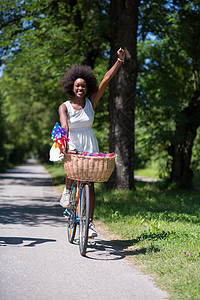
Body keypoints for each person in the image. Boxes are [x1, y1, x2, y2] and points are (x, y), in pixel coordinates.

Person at [59, 48, 125, 237]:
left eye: (84, 86)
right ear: (72, 86)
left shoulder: (91, 102)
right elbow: (65, 127)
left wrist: (119, 61)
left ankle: (88, 223)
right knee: (73, 170)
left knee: (90, 185)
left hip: (90, 144)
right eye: (77, 86)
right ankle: (67, 190)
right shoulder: (64, 106)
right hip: (72, 143)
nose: (80, 89)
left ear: (87, 88)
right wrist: (66, 146)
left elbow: (105, 80)